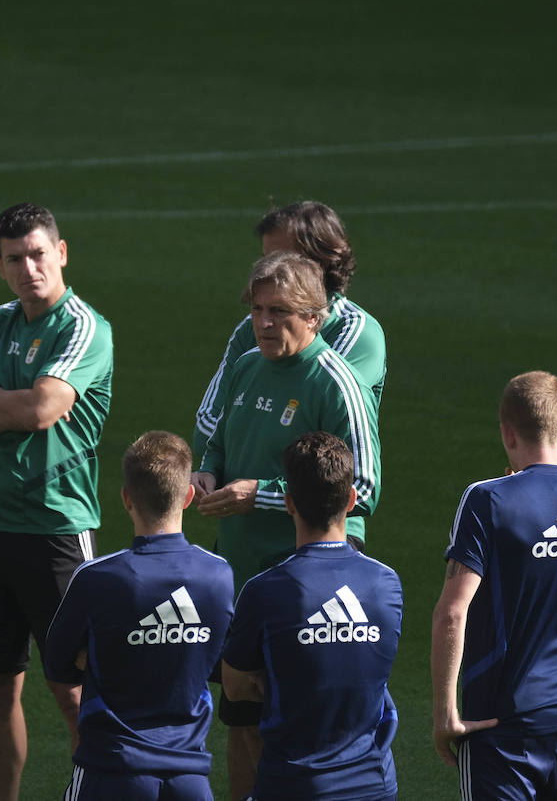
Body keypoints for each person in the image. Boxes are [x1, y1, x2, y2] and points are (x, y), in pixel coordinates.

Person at [0, 202, 113, 801]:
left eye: (39, 253)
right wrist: (10, 404)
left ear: (61, 253)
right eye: (15, 259)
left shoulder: (84, 326)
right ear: (0, 266)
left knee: (75, 691)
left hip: (59, 528)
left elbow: (43, 411)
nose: (29, 268)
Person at [192, 250, 381, 800]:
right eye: (257, 310)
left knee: (299, 730)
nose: (265, 323)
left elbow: (363, 491)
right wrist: (208, 472)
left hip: (312, 590)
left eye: (280, 311)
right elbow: (220, 440)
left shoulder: (335, 383)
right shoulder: (247, 365)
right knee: (242, 722)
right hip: (243, 580)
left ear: (315, 317)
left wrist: (262, 497)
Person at [432, 371, 557, 800]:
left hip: (503, 724)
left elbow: (453, 611)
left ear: (507, 433)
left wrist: (445, 713)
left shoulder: (487, 499)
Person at [43, 431, 233, 801]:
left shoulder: (97, 578)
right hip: (190, 776)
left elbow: (58, 666)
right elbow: (220, 664)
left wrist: (102, 653)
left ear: (126, 498)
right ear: (189, 496)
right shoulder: (217, 575)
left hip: (112, 772)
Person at [221, 431, 401, 801]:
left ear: (288, 503)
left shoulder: (263, 590)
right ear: (352, 500)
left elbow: (236, 688)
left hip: (292, 785)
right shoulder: (386, 584)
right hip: (373, 786)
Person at [193, 201, 386, 458]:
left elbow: (322, 451)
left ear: (321, 261)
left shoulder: (356, 332)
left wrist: (255, 484)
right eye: (265, 258)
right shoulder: (252, 327)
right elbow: (207, 425)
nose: (268, 270)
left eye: (281, 259)